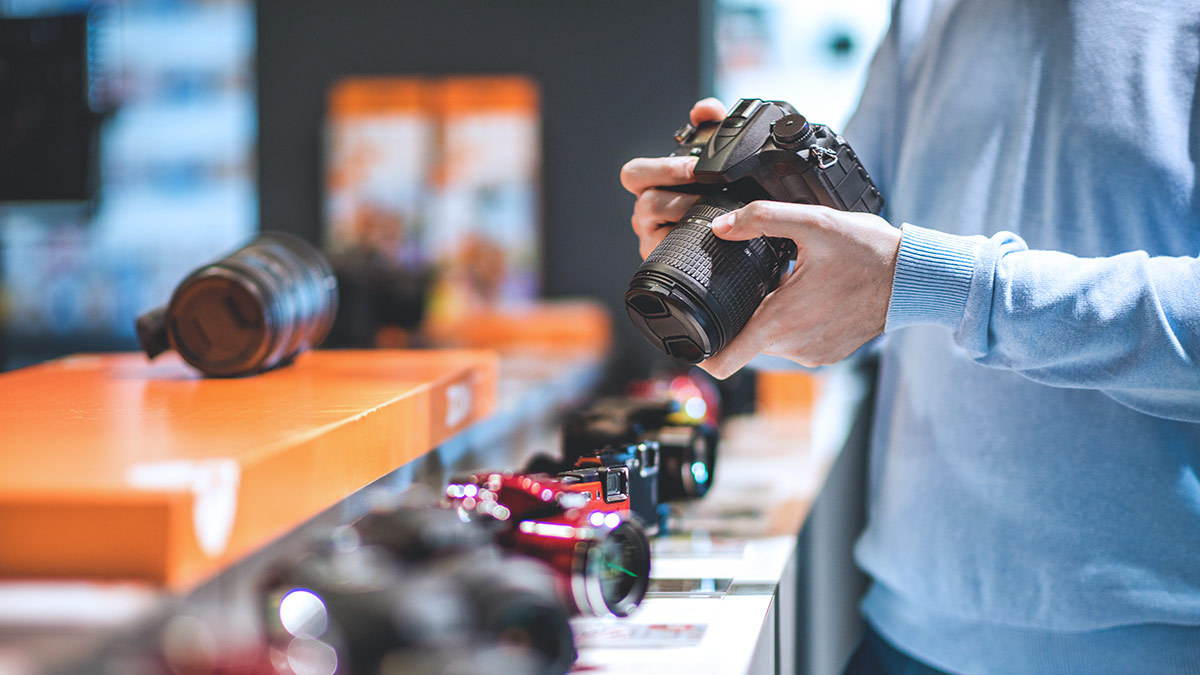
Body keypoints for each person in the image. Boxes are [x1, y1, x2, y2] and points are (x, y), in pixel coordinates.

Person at [620, 1, 1200, 673]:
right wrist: (733, 251)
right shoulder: (929, 11)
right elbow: (855, 298)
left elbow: (906, 278)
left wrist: (948, 284)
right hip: (907, 628)